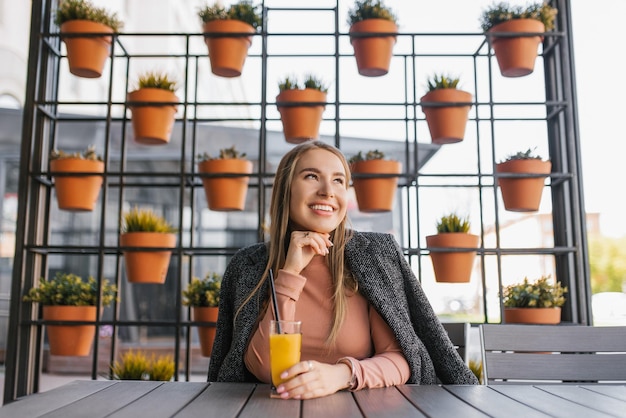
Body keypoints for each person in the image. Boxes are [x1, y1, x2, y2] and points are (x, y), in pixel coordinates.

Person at [208, 141, 478, 399]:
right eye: (312, 176)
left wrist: (341, 375)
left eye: (338, 180)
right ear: (285, 189)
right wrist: (289, 274)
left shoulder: (373, 255)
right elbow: (267, 369)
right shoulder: (248, 266)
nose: (328, 191)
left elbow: (401, 359)